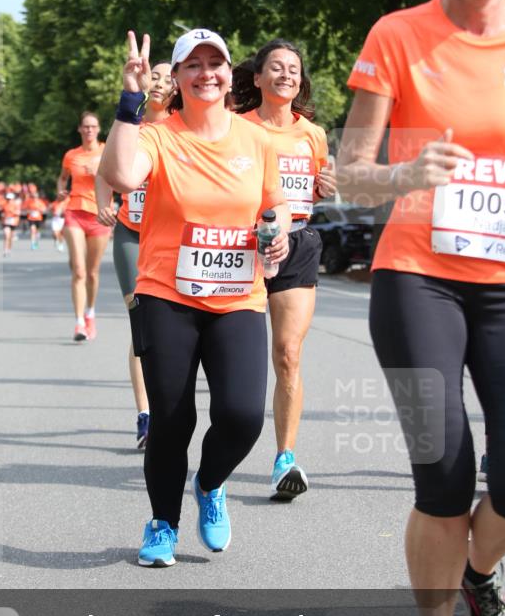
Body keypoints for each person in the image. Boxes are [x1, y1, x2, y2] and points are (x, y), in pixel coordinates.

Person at [337, 0, 505, 616]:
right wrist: (406, 169)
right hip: (416, 281)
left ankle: (480, 572)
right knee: (441, 474)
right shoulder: (396, 34)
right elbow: (348, 177)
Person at [99, 29, 290, 567]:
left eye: (217, 63)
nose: (207, 73)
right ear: (178, 79)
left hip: (238, 297)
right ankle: (162, 522)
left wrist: (275, 235)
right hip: (167, 294)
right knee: (172, 417)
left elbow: (276, 210)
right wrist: (131, 99)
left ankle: (209, 482)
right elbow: (118, 174)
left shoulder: (257, 141)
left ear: (233, 75)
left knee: (243, 415)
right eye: (194, 65)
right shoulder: (160, 135)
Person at [233, 41, 336, 500]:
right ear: (257, 78)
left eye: (293, 69)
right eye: (276, 67)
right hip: (247, 246)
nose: (286, 75)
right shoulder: (237, 128)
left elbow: (316, 188)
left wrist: (324, 186)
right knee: (239, 362)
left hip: (298, 245)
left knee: (288, 354)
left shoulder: (312, 134)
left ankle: (285, 459)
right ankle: (226, 442)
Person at [96, 59, 173, 449]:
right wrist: (102, 203)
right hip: (131, 232)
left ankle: (170, 406)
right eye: (154, 76)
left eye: (166, 77)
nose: (159, 83)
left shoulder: (182, 130)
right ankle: (146, 414)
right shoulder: (133, 125)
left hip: (169, 239)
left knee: (168, 325)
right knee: (140, 320)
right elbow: (103, 170)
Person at [57, 112, 112, 342]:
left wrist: (100, 171)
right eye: (85, 127)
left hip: (99, 216)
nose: (89, 130)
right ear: (80, 129)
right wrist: (61, 190)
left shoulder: (108, 151)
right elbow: (62, 178)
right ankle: (79, 323)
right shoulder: (71, 155)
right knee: (79, 270)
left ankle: (90, 313)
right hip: (75, 212)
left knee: (92, 272)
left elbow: (120, 179)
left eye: (93, 126)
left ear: (98, 130)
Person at [0, 190, 21, 257]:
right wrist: (2, 215)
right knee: (6, 236)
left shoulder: (15, 205)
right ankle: (5, 250)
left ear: (13, 199)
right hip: (6, 222)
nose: (9, 200)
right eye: (8, 199)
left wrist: (13, 213)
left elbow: (18, 213)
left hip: (13, 222)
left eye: (10, 199)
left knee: (10, 237)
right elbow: (0, 212)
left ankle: (9, 249)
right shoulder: (4, 205)